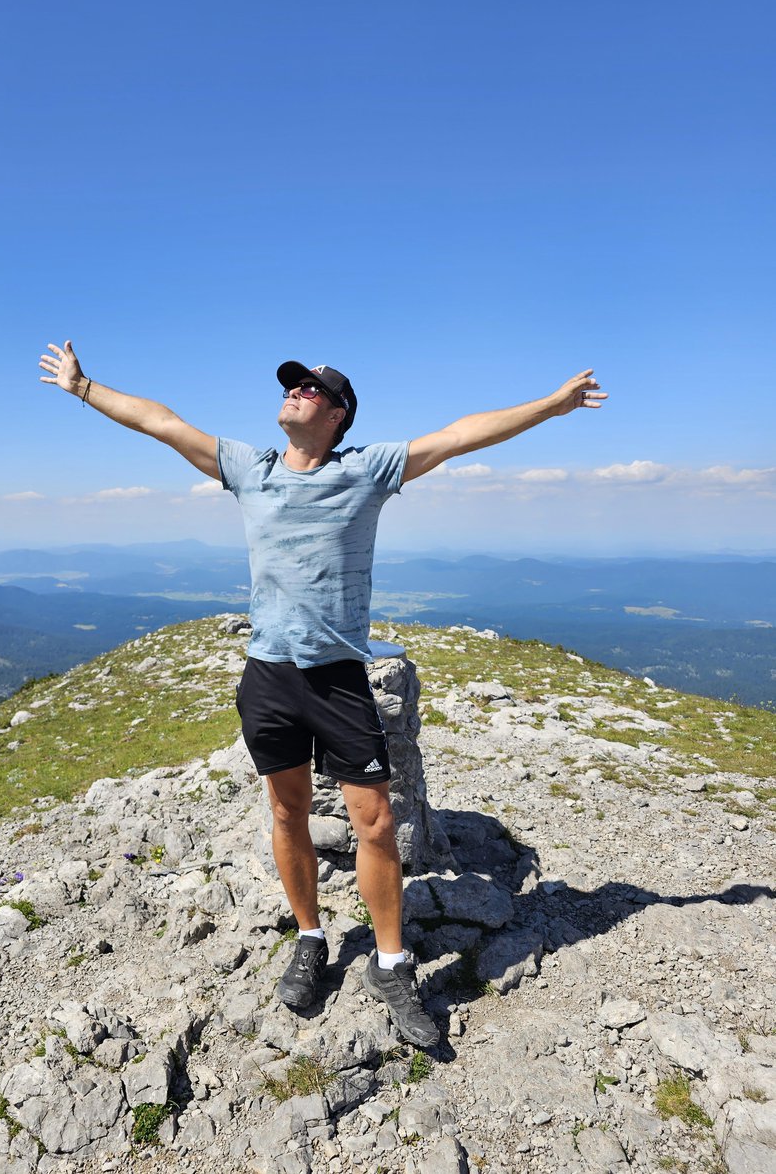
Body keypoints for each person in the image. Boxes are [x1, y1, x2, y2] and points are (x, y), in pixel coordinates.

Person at [40, 341, 607, 1046]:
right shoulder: (251, 469)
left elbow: (461, 434)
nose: (295, 392)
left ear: (338, 415)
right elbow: (163, 422)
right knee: (287, 813)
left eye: (312, 389)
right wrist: (84, 386)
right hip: (269, 675)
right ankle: (310, 936)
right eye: (292, 385)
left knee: (373, 822)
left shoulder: (366, 469)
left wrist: (551, 407)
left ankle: (391, 962)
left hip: (338, 677)